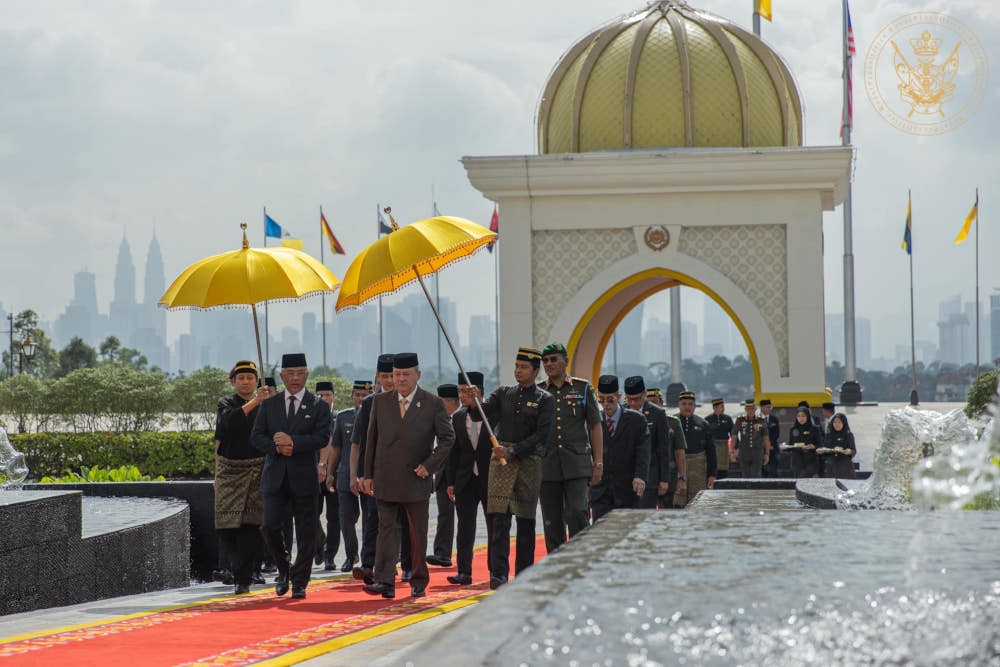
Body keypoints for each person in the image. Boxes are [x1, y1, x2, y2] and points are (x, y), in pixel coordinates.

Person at [361, 353, 455, 600]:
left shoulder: (433, 403)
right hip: (385, 476)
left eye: (406, 374)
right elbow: (371, 440)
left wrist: (430, 465)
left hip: (416, 478)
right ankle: (384, 581)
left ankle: (418, 580)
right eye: (396, 374)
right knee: (386, 530)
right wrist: (367, 474)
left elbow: (448, 439)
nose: (400, 379)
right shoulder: (380, 402)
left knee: (417, 533)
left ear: (418, 375)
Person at [251, 353, 331, 599]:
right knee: (269, 526)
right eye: (290, 374)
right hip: (275, 478)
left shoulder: (318, 405)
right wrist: (276, 447)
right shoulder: (269, 404)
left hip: (304, 477)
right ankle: (284, 569)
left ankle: (299, 581)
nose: (295, 378)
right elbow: (257, 437)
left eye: (300, 373)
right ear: (283, 376)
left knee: (306, 532)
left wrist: (293, 442)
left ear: (307, 374)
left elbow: (322, 437)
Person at [482, 346, 554, 590]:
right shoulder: (503, 393)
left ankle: (524, 574)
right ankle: (498, 574)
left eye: (524, 367)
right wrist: (472, 402)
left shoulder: (545, 399)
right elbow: (481, 413)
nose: (518, 371)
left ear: (536, 371)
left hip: (527, 464)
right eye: (516, 366)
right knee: (499, 521)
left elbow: (542, 436)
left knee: (525, 522)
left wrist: (513, 451)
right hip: (500, 465)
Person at [537, 342, 602, 553]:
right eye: (545, 361)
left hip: (577, 464)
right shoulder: (538, 391)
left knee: (577, 512)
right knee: (551, 520)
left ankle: (581, 557)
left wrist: (598, 462)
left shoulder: (582, 388)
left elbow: (594, 425)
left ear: (566, 360)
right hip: (547, 466)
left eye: (554, 359)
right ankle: (556, 564)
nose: (549, 364)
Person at [214, 360, 272, 595]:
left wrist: (263, 403)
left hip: (257, 468)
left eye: (250, 378)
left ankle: (243, 578)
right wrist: (216, 473)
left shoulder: (267, 405)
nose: (246, 382)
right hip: (229, 470)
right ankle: (236, 569)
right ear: (233, 381)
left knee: (249, 526)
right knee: (226, 527)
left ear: (257, 381)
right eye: (241, 378)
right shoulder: (225, 403)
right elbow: (228, 425)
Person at [350, 354, 403, 585]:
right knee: (372, 518)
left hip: (400, 472)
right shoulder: (369, 403)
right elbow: (359, 443)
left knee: (396, 521)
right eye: (385, 376)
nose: (389, 381)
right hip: (373, 473)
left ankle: (397, 563)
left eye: (393, 375)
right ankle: (368, 564)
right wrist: (357, 475)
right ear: (377, 377)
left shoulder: (407, 400)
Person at [445, 371, 494, 585]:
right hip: (465, 480)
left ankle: (496, 571)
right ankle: (464, 571)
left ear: (479, 392)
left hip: (490, 479)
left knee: (494, 526)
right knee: (465, 527)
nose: (462, 396)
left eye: (466, 392)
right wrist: (450, 482)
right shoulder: (457, 417)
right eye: (460, 391)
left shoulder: (493, 414)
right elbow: (453, 452)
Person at [326, 379, 372, 572]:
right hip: (345, 475)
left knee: (370, 520)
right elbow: (335, 448)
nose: (361, 399)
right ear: (352, 396)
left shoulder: (375, 415)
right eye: (358, 395)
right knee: (346, 518)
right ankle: (351, 555)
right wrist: (329, 472)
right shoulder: (343, 417)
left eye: (365, 395)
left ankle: (368, 557)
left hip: (368, 475)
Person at [590, 376, 650, 520]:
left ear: (618, 397)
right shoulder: (594, 420)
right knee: (601, 533)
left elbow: (643, 451)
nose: (606, 404)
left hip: (627, 488)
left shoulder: (637, 420)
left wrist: (640, 476)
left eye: (610, 400)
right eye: (601, 400)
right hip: (600, 490)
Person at [623, 376, 686, 509]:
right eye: (629, 399)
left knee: (645, 516)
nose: (633, 404)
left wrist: (664, 479)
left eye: (637, 399)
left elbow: (663, 449)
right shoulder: (622, 412)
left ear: (644, 394)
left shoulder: (657, 413)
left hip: (650, 477)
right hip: (625, 477)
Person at [427, 384, 460, 567]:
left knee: (464, 517)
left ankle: (462, 555)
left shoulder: (461, 418)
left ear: (450, 402)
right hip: (442, 476)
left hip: (460, 475)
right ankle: (442, 553)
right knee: (444, 515)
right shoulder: (441, 419)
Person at [313, 381, 340, 570]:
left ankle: (330, 555)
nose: (323, 399)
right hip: (311, 473)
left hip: (335, 474)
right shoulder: (308, 419)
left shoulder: (340, 419)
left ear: (333, 397)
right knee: (310, 514)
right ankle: (319, 542)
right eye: (319, 395)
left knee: (334, 517)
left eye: (327, 395)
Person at [675, 391, 716, 504]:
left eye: (690, 404)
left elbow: (711, 452)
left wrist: (712, 475)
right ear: (679, 405)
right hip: (677, 466)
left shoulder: (703, 424)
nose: (687, 407)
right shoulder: (672, 422)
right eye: (684, 404)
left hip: (698, 468)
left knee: (697, 500)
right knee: (677, 499)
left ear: (694, 406)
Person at [731, 399, 772, 479]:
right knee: (745, 476)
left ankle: (756, 491)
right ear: (745, 409)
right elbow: (734, 436)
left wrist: (767, 453)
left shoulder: (760, 420)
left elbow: (766, 438)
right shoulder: (740, 420)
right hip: (744, 452)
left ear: (755, 409)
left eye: (752, 408)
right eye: (748, 409)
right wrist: (732, 451)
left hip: (757, 452)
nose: (750, 411)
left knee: (756, 475)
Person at [784, 407, 821, 478]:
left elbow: (819, 444)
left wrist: (813, 446)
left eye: (803, 416)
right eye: (798, 416)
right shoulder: (793, 429)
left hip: (810, 461)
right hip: (797, 461)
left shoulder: (814, 429)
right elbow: (791, 444)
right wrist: (785, 446)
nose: (801, 418)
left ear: (808, 416)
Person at [819, 413, 856, 479]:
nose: (837, 424)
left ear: (843, 423)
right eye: (835, 422)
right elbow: (824, 448)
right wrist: (821, 451)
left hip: (845, 467)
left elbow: (853, 450)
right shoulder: (829, 435)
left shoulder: (848, 435)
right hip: (831, 467)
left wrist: (849, 451)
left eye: (839, 422)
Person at [705, 398, 734, 479]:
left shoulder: (727, 419)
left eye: (723, 406)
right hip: (713, 446)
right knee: (713, 465)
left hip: (724, 446)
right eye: (721, 406)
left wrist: (735, 448)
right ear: (715, 407)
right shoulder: (708, 419)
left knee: (724, 468)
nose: (723, 408)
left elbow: (733, 434)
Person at [759, 399, 781, 477]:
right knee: (762, 470)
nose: (769, 409)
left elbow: (776, 433)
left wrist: (770, 443)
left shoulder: (774, 419)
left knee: (773, 469)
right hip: (760, 448)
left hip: (773, 448)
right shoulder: (757, 419)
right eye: (767, 407)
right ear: (762, 408)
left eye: (770, 407)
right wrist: (764, 444)